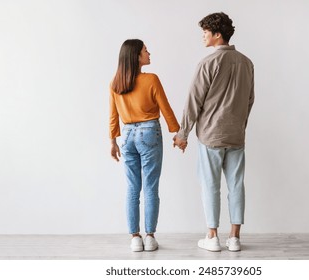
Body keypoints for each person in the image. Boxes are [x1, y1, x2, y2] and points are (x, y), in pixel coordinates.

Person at [173, 12, 255, 252]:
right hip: (236, 135)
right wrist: (240, 125)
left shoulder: (207, 63)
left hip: (211, 135)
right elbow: (250, 100)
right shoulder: (246, 63)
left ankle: (212, 236)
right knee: (236, 184)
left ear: (217, 34)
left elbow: (193, 102)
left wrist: (182, 134)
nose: (203, 37)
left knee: (211, 185)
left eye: (205, 33)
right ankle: (235, 238)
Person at [109, 39, 180, 252]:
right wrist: (177, 132)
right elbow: (165, 108)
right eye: (145, 50)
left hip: (127, 135)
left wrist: (113, 140)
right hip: (149, 132)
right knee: (150, 187)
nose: (149, 53)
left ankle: (134, 238)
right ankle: (150, 237)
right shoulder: (151, 79)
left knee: (132, 188)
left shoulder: (115, 83)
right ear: (136, 56)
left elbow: (113, 116)